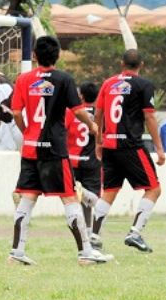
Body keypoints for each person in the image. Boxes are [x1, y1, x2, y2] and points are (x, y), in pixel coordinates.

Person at [9, 36, 110, 266]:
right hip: (55, 149)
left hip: (31, 149)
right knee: (69, 198)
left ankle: (16, 251)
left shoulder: (23, 79)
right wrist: (93, 126)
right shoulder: (64, 79)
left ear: (34, 55)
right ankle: (85, 252)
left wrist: (28, 133)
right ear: (58, 55)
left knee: (27, 199)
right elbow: (77, 110)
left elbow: (16, 113)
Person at [90, 49, 166, 253]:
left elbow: (98, 115)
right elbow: (149, 117)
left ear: (121, 63)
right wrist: (159, 147)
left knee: (110, 191)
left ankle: (94, 235)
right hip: (131, 146)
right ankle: (135, 233)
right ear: (141, 64)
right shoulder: (144, 85)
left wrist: (98, 141)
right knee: (153, 189)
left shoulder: (108, 83)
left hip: (110, 145)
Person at [65, 81, 101, 239]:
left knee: (80, 200)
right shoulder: (99, 114)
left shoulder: (72, 112)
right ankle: (91, 234)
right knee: (93, 200)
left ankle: (86, 232)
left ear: (81, 95)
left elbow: (63, 132)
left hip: (72, 161)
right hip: (91, 161)